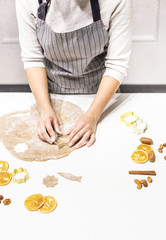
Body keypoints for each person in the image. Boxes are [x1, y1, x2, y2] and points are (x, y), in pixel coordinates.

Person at [15, 0, 132, 148]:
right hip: (52, 93)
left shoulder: (116, 2)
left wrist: (93, 116)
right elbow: (33, 58)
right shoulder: (27, 2)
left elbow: (117, 63)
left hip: (100, 93)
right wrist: (44, 109)